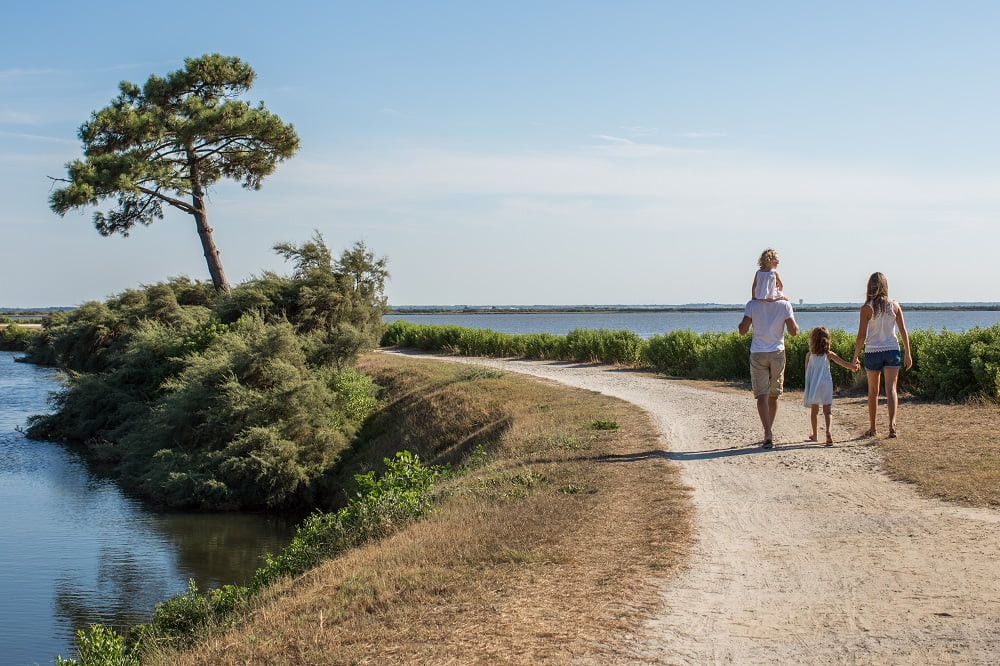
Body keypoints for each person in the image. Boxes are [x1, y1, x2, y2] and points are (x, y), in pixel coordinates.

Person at [851, 272, 913, 438]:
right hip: (892, 350)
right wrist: (908, 353)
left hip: (873, 351)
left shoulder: (866, 308)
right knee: (891, 388)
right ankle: (892, 425)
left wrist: (855, 356)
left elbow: (861, 336)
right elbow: (903, 330)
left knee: (873, 391)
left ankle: (873, 427)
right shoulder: (894, 305)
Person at [738, 297, 799, 447]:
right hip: (777, 353)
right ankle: (768, 431)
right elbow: (793, 332)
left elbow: (742, 330)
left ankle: (767, 432)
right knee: (774, 394)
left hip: (758, 353)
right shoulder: (785, 305)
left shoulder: (752, 304)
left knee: (762, 395)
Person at [803, 326, 858, 445]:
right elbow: (844, 364)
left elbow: (807, 372)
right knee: (827, 411)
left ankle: (815, 434)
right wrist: (854, 367)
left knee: (814, 411)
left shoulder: (809, 355)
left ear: (813, 340)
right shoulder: (829, 354)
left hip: (814, 384)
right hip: (826, 383)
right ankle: (828, 432)